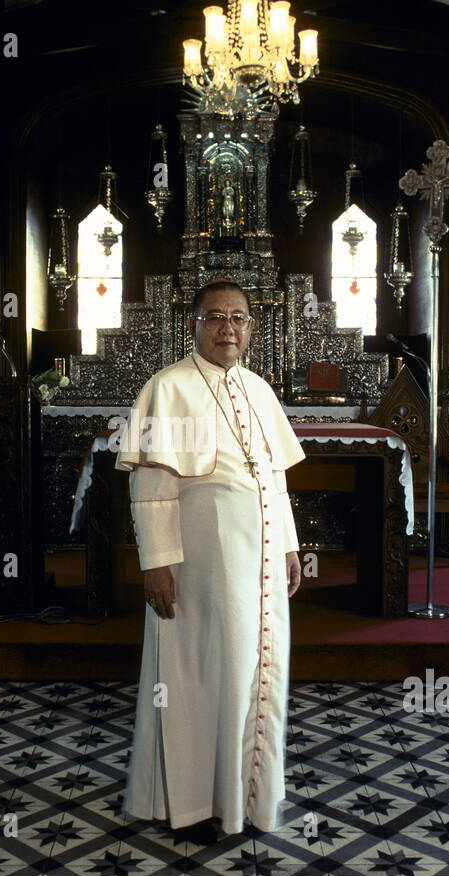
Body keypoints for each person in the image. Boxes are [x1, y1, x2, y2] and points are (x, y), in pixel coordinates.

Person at [114, 278, 305, 843]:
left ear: (252, 327)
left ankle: (243, 796)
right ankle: (193, 803)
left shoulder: (259, 390)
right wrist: (156, 561)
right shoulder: (167, 388)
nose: (228, 328)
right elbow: (150, 483)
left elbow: (274, 479)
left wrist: (291, 545)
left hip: (262, 562)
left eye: (239, 318)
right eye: (215, 317)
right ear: (193, 324)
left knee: (253, 670)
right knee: (197, 672)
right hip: (199, 562)